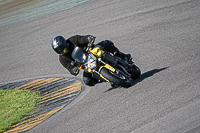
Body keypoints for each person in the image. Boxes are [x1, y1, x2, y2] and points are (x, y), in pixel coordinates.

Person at [51, 35, 131, 86]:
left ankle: (122, 56)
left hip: (91, 52)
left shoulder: (73, 40)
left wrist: (89, 39)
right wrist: (74, 70)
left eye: (64, 49)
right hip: (86, 64)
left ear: (65, 44)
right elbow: (70, 69)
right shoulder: (62, 59)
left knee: (106, 43)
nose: (64, 52)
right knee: (87, 81)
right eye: (60, 51)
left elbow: (84, 39)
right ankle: (109, 78)